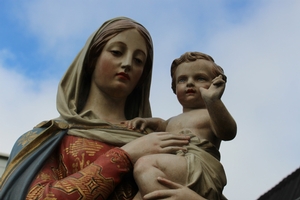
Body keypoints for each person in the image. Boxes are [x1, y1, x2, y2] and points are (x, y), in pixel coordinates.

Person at [0, 17, 207, 200]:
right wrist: (124, 156)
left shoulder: (162, 139)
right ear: (92, 59)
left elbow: (207, 184)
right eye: (117, 52)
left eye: (138, 61)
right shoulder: (47, 138)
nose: (127, 64)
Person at [124, 52, 237, 200]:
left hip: (198, 166)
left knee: (145, 165)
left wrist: (213, 101)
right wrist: (146, 121)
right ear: (174, 87)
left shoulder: (210, 113)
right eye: (182, 79)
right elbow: (161, 124)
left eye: (200, 78)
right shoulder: (172, 121)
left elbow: (228, 132)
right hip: (174, 168)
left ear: (215, 84)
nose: (190, 83)